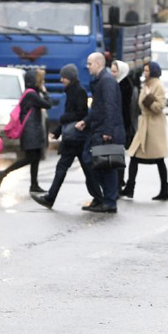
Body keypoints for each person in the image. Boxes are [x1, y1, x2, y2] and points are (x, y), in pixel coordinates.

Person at [31, 63, 100, 209]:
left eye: (64, 77)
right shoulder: (70, 90)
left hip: (76, 138)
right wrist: (57, 131)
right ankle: (99, 197)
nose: (61, 79)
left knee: (64, 167)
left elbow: (80, 114)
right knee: (86, 169)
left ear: (70, 77)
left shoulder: (78, 92)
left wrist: (63, 119)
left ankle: (50, 198)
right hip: (75, 137)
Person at [75, 52, 125, 213]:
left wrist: (108, 131)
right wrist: (86, 121)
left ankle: (109, 201)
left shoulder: (107, 81)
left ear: (98, 64)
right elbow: (98, 108)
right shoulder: (101, 81)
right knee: (94, 162)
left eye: (90, 63)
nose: (87, 66)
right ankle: (101, 198)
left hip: (105, 131)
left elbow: (111, 107)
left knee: (106, 166)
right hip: (98, 128)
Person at [0, 69, 52, 192]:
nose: (42, 82)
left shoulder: (32, 93)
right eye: (40, 80)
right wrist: (45, 91)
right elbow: (48, 104)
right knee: (30, 158)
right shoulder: (30, 94)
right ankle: (5, 172)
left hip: (34, 131)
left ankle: (34, 185)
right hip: (30, 132)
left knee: (35, 158)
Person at [122, 61, 168, 201]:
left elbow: (159, 107)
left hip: (154, 126)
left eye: (147, 70)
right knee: (134, 156)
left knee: (158, 159)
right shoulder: (146, 84)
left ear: (153, 72)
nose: (144, 73)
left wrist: (149, 97)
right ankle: (130, 188)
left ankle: (164, 190)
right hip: (145, 125)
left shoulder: (158, 86)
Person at [110, 60, 135, 190]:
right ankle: (118, 182)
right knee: (116, 155)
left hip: (122, 125)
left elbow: (125, 110)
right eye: (111, 71)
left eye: (115, 71)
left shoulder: (124, 86)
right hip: (118, 125)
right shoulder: (116, 84)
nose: (112, 74)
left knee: (118, 155)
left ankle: (119, 182)